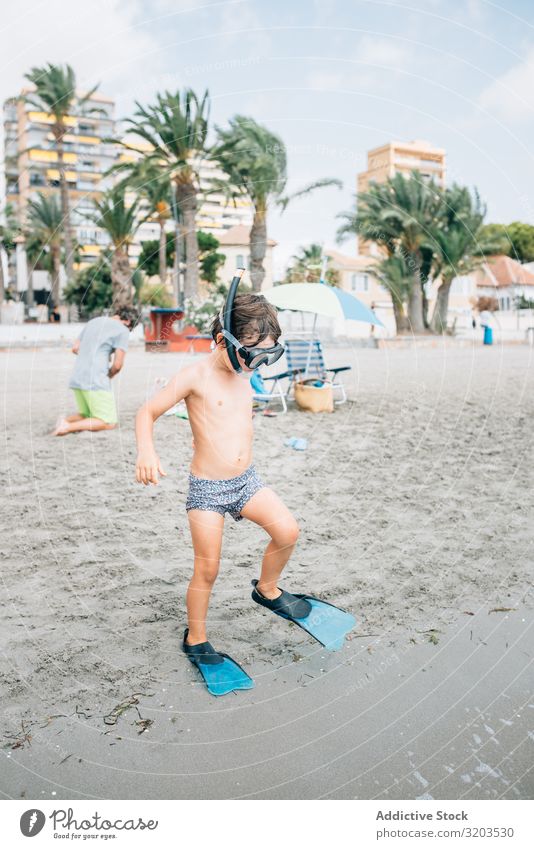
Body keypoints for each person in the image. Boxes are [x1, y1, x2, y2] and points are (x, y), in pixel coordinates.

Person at [134, 290, 355, 695]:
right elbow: (146, 412)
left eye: (271, 357)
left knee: (287, 531)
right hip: (208, 490)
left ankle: (267, 589)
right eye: (255, 356)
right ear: (223, 342)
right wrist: (147, 452)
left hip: (247, 481)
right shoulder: (195, 376)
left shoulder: (243, 370)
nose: (261, 365)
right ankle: (196, 639)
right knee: (208, 569)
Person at [53, 306, 138, 436]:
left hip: (77, 375)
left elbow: (75, 348)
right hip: (96, 378)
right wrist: (108, 375)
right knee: (108, 422)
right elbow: (118, 365)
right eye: (131, 328)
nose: (129, 331)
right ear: (128, 321)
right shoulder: (122, 330)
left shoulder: (93, 321)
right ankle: (67, 426)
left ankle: (63, 422)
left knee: (86, 415)